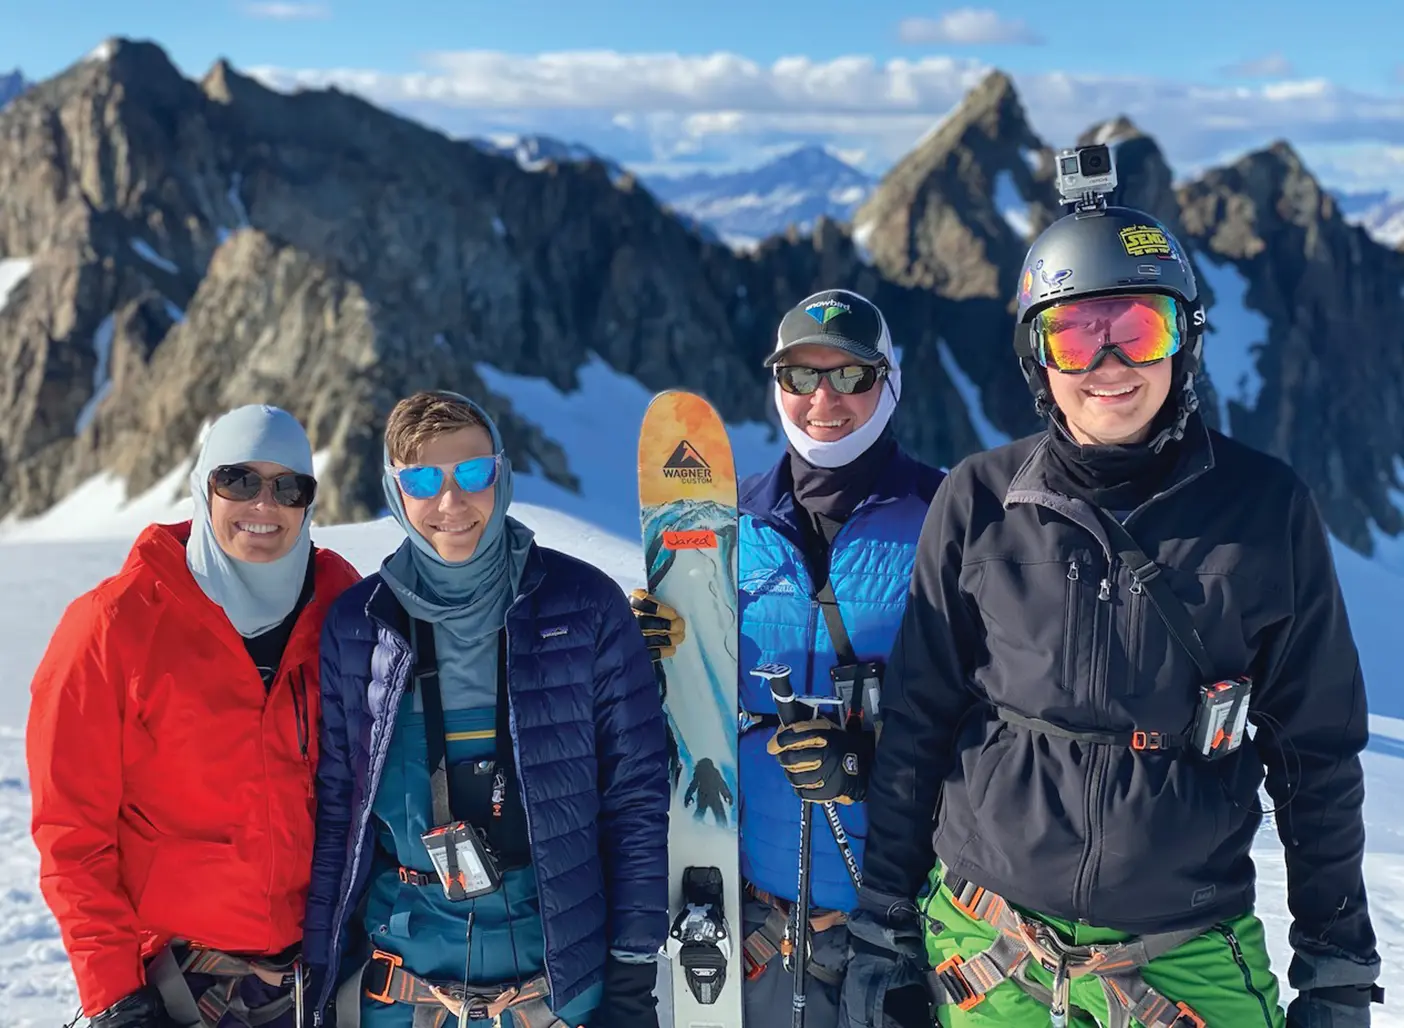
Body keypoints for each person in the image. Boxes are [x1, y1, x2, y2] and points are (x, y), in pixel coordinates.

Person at [841, 202, 1384, 1028]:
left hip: (1185, 951)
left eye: (1137, 327)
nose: (1108, 364)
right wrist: (884, 920)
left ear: (1183, 340)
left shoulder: (1265, 511)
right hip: (986, 949)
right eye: (1074, 337)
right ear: (1038, 359)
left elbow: (1315, 756)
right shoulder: (980, 501)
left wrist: (1337, 969)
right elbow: (921, 720)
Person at [302, 390, 669, 1028]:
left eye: (474, 473)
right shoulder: (360, 627)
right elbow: (339, 814)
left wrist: (633, 976)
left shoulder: (585, 607)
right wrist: (319, 971)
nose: (452, 502)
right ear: (394, 491)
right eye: (422, 479)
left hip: (557, 991)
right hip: (403, 992)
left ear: (502, 472)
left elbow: (635, 799)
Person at [630, 289, 945, 1027]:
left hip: (904, 931)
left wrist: (870, 762)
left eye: (852, 376)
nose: (823, 398)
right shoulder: (728, 526)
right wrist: (645, 661)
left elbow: (989, 714)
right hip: (759, 928)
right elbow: (693, 713)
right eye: (800, 377)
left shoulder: (948, 519)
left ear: (890, 381)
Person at [27, 404, 362, 1027]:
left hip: (319, 976)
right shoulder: (112, 625)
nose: (264, 505)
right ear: (202, 485)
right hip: (174, 985)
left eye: (289, 487)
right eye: (238, 481)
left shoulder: (346, 611)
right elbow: (71, 832)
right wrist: (115, 998)